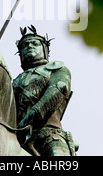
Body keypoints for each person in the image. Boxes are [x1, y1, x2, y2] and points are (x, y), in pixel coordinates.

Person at [12, 25, 78, 156]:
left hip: (49, 135)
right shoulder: (14, 81)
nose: (29, 46)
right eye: (25, 45)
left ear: (44, 49)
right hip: (18, 140)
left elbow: (58, 90)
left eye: (34, 43)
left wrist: (31, 116)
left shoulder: (57, 69)